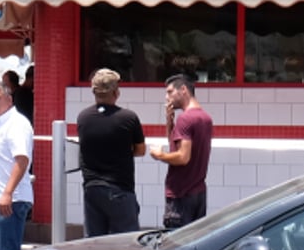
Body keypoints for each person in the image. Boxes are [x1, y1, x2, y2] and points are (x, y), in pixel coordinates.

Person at [77, 69, 145, 236]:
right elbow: (140, 150)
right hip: (119, 189)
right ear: (116, 92)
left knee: (95, 244)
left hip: (92, 189)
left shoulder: (82, 117)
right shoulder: (128, 118)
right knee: (126, 244)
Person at [150, 74, 214, 228]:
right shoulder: (205, 117)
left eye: (170, 92)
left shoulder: (185, 119)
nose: (167, 97)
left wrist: (159, 155)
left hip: (181, 195)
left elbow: (183, 157)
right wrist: (169, 121)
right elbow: (177, 146)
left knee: (175, 246)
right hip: (198, 193)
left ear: (183, 90)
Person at [0, 81, 34, 250]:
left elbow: (22, 159)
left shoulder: (16, 123)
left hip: (10, 201)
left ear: (9, 100)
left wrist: (7, 193)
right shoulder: (0, 123)